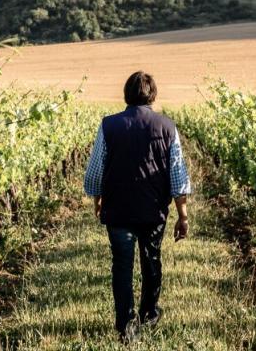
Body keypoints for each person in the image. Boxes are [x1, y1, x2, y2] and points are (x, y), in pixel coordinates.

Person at [83, 70, 192, 344]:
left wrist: (98, 199)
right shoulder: (167, 126)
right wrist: (183, 215)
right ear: (153, 95)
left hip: (118, 209)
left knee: (121, 266)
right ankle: (149, 314)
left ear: (126, 94)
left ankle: (125, 325)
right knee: (151, 260)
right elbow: (177, 176)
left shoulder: (109, 125)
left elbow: (95, 172)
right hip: (153, 210)